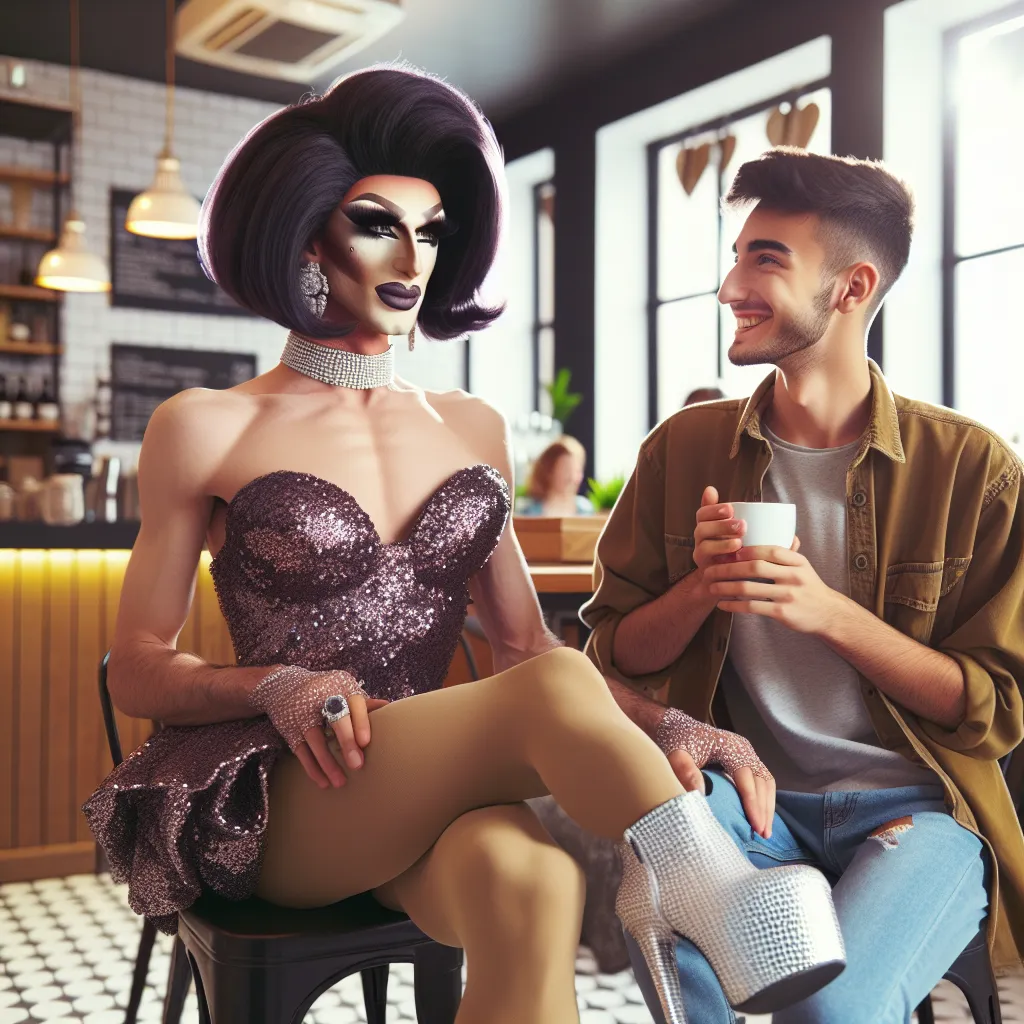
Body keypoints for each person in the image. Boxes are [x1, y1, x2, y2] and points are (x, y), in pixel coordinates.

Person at [82, 70, 845, 1024]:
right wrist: (267, 683)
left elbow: (528, 649)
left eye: (433, 229)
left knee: (536, 887)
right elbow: (138, 669)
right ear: (310, 234)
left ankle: (689, 881)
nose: (412, 255)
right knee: (549, 704)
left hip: (430, 778)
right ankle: (712, 890)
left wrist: (662, 728)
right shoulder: (206, 425)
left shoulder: (472, 426)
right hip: (286, 791)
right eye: (376, 223)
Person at [582, 147, 1024, 1024]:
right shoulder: (684, 449)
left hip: (918, 807)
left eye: (765, 260)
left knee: (833, 1009)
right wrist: (701, 589)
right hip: (751, 799)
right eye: (737, 255)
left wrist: (828, 614)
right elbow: (612, 654)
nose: (729, 287)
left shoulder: (972, 468)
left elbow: (993, 708)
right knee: (668, 936)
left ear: (852, 287)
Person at [516, 435, 594, 515]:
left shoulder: (585, 510)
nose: (571, 477)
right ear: (549, 471)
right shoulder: (529, 511)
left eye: (576, 470)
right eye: (565, 469)